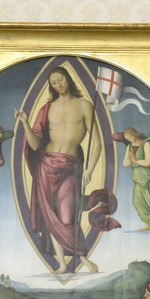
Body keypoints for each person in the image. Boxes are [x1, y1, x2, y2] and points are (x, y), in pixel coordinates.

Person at [15, 67, 112, 273]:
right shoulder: (47, 108)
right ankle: (61, 263)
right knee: (50, 216)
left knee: (67, 216)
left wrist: (90, 171)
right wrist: (25, 123)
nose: (59, 84)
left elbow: (97, 144)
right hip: (46, 165)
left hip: (70, 167)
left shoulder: (85, 105)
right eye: (54, 82)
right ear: (51, 86)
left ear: (68, 79)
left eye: (61, 79)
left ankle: (83, 258)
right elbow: (34, 145)